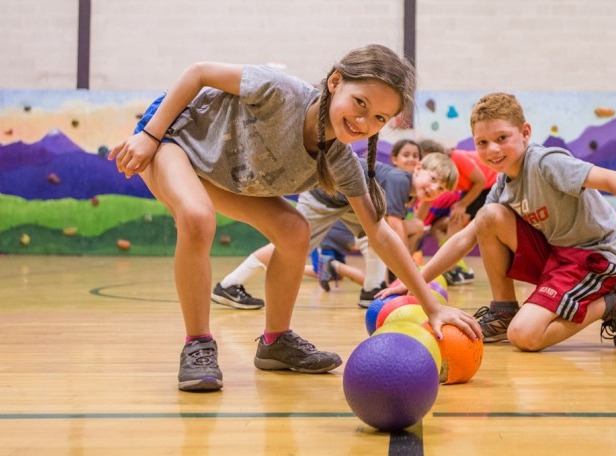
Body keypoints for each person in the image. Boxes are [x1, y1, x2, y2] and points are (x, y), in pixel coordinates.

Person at [108, 44, 480, 392]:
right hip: (171, 139)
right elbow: (199, 72)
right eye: (360, 103)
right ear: (335, 81)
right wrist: (150, 135)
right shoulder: (279, 90)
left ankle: (276, 341)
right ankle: (198, 343)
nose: (364, 121)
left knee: (294, 230)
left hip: (217, 172)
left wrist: (431, 306)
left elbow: (380, 234)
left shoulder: (341, 162)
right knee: (196, 216)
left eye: (379, 118)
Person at [382, 92, 616, 351]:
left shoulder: (546, 163)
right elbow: (465, 238)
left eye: (502, 138)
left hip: (592, 258)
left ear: (525, 133)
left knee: (524, 336)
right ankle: (503, 311)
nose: (492, 149)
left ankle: (615, 299)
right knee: (487, 217)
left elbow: (613, 179)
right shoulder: (502, 184)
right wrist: (413, 281)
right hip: (556, 254)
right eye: (482, 143)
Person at [213, 151, 458, 310]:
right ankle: (230, 284)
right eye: (433, 179)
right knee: (293, 246)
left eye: (440, 189)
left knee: (372, 235)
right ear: (418, 168)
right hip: (325, 195)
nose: (433, 188)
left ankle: (372, 290)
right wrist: (409, 275)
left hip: (349, 201)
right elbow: (395, 229)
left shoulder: (408, 192)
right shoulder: (400, 181)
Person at [409, 139, 498, 285]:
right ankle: (456, 267)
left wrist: (462, 205)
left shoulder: (457, 157)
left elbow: (480, 181)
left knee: (455, 221)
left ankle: (452, 268)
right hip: (474, 189)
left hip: (487, 186)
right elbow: (421, 217)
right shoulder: (436, 179)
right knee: (438, 227)